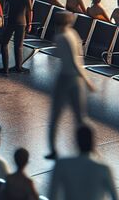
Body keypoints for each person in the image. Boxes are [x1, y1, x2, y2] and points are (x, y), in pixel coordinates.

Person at [45, 11, 96, 160]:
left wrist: (88, 81)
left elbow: (70, 60)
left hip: (65, 78)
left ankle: (53, 149)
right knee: (80, 116)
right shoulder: (73, 33)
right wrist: (85, 80)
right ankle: (89, 148)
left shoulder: (61, 37)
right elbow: (79, 58)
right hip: (77, 79)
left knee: (55, 116)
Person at [48, 126, 119, 200]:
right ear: (93, 143)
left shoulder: (62, 164)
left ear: (77, 142)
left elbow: (52, 195)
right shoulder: (103, 169)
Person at [0, 0, 33, 75]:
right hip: (21, 23)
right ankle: (18, 67)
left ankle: (5, 69)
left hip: (11, 21)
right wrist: (29, 23)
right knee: (18, 46)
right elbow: (29, 11)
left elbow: (5, 6)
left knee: (4, 43)